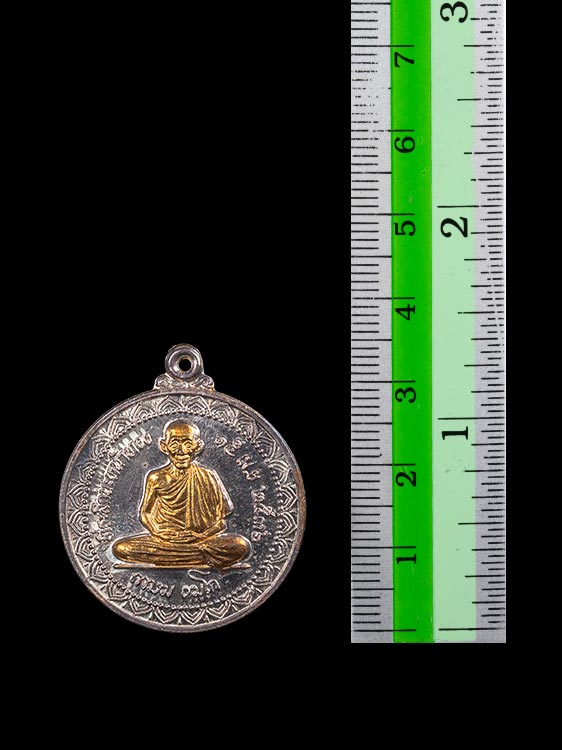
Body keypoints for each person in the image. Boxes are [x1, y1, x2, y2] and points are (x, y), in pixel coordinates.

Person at [112, 420, 250, 569]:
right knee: (121, 548)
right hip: (164, 541)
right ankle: (196, 557)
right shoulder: (155, 477)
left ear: (198, 446)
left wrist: (201, 536)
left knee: (240, 545)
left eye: (188, 444)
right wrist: (158, 533)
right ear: (164, 446)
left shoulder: (208, 476)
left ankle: (175, 557)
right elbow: (145, 514)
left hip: (201, 540)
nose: (181, 451)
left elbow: (221, 522)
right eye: (174, 444)